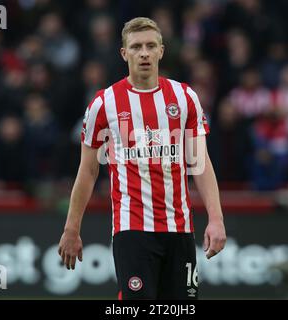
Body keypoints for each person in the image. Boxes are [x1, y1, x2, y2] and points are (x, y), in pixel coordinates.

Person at [58, 17, 226, 300]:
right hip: (131, 230)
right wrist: (71, 229)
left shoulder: (185, 97)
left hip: (180, 229)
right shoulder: (104, 104)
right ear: (124, 53)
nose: (144, 53)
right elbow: (87, 173)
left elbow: (200, 163)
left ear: (161, 51)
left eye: (150, 46)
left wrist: (216, 219)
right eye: (136, 47)